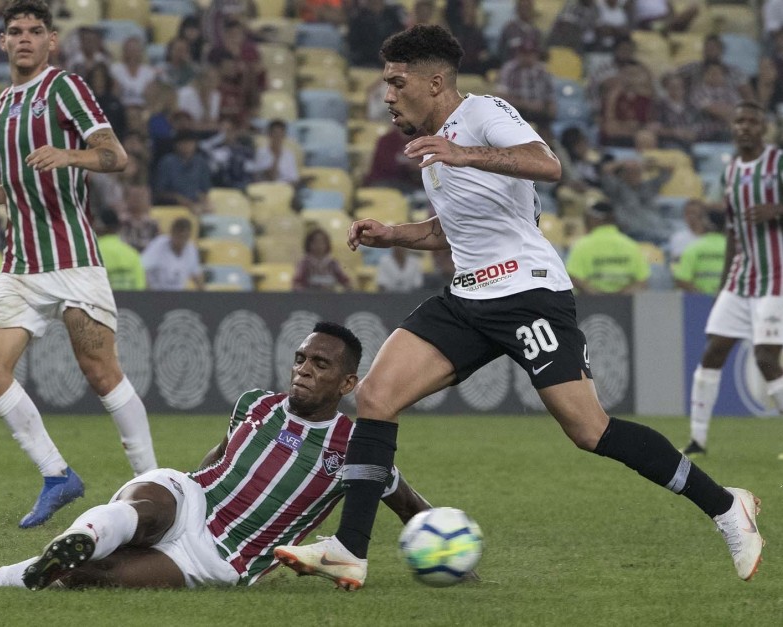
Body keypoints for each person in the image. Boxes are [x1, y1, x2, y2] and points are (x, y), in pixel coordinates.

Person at [272, 25, 763, 591]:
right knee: (376, 397)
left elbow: (547, 163)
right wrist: (394, 234)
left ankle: (727, 507)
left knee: (588, 430)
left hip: (528, 293)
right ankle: (348, 551)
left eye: (395, 82)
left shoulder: (482, 114)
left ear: (435, 83)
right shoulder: (435, 146)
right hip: (468, 297)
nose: (386, 95)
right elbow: (455, 230)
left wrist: (461, 152)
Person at [0, 323, 434, 591]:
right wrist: (182, 489)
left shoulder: (359, 448)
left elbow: (409, 505)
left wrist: (446, 553)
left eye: (319, 364)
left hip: (222, 559)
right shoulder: (256, 405)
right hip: (193, 500)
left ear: (348, 381)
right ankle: (87, 535)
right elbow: (215, 464)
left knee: (90, 579)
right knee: (155, 495)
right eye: (300, 358)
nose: (304, 369)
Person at [0, 0, 157, 529]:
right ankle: (56, 476)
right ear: (3, 42)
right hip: (20, 264)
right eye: (15, 31)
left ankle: (157, 488)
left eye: (35, 31)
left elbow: (117, 156)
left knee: (100, 372)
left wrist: (69, 155)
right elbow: (28, 175)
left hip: (72, 258)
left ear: (51, 41)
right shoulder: (3, 101)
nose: (24, 38)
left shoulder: (64, 88)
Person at [681, 102, 783, 458]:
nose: (744, 127)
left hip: (776, 277)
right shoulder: (733, 170)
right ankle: (698, 439)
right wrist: (724, 283)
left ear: (763, 128)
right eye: (739, 121)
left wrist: (777, 210)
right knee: (713, 351)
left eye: (752, 121)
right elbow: (732, 232)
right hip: (742, 277)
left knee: (766, 357)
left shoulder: (777, 162)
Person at [564, 201, 650, 295]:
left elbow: (574, 278)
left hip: (589, 305)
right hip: (624, 306)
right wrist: (619, 297)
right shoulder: (631, 246)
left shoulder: (582, 246)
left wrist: (600, 297)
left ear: (594, 220)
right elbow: (642, 282)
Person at [140, 217, 204, 291]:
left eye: (185, 237)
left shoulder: (191, 249)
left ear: (189, 236)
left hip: (178, 295)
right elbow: (142, 268)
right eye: (179, 236)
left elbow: (196, 275)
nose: (181, 240)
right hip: (156, 293)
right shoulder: (159, 245)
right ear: (172, 233)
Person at [672, 210, 726, 296]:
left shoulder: (693, 248)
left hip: (699, 302)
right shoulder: (734, 250)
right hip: (727, 300)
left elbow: (682, 279)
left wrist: (701, 296)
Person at [95, 208, 145, 291]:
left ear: (98, 226)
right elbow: (140, 286)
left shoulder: (92, 252)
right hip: (131, 302)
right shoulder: (132, 253)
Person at [292, 228, 353, 292]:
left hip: (330, 298)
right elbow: (297, 283)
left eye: (322, 242)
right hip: (310, 298)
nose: (319, 245)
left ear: (327, 244)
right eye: (315, 242)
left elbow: (345, 281)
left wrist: (347, 287)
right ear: (309, 244)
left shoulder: (333, 263)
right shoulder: (304, 263)